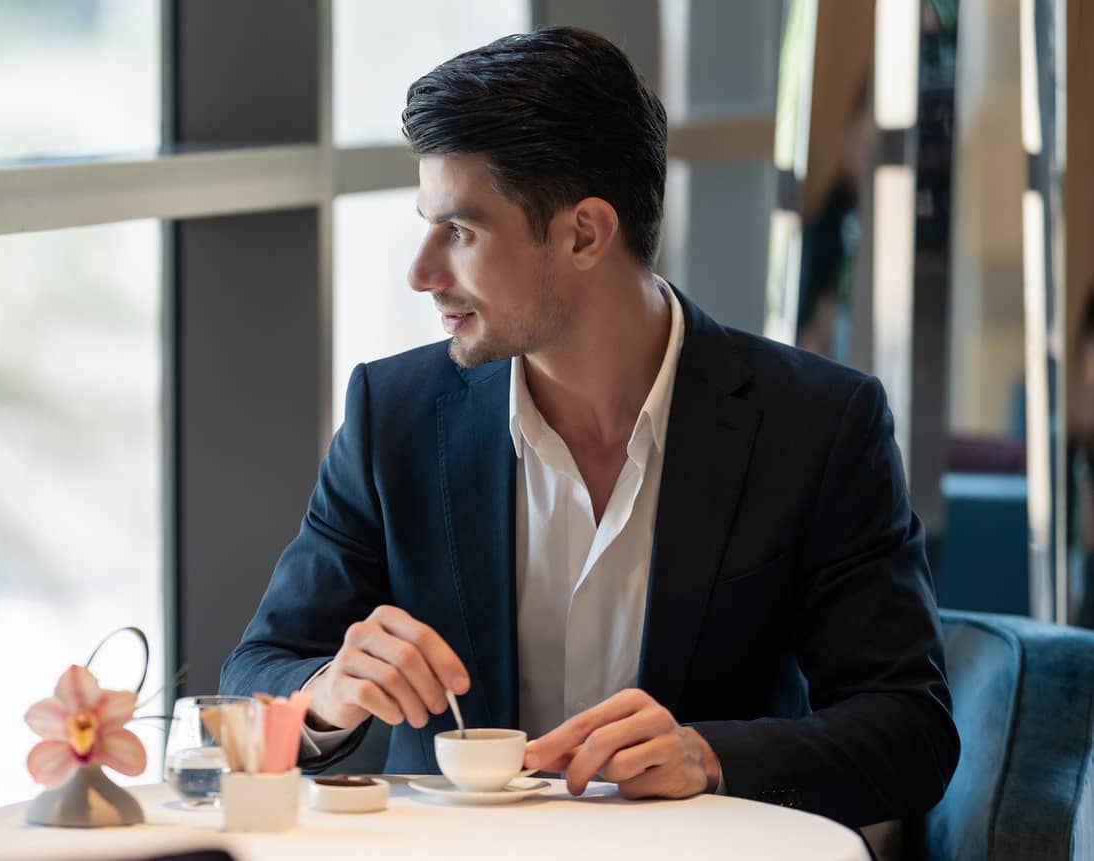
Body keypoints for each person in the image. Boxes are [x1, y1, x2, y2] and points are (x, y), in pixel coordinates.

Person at [221, 26, 958, 830]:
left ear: (583, 233)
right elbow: (252, 674)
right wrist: (328, 691)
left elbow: (908, 731)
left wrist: (708, 757)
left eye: (460, 231)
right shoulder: (389, 413)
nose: (422, 272)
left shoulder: (818, 424)